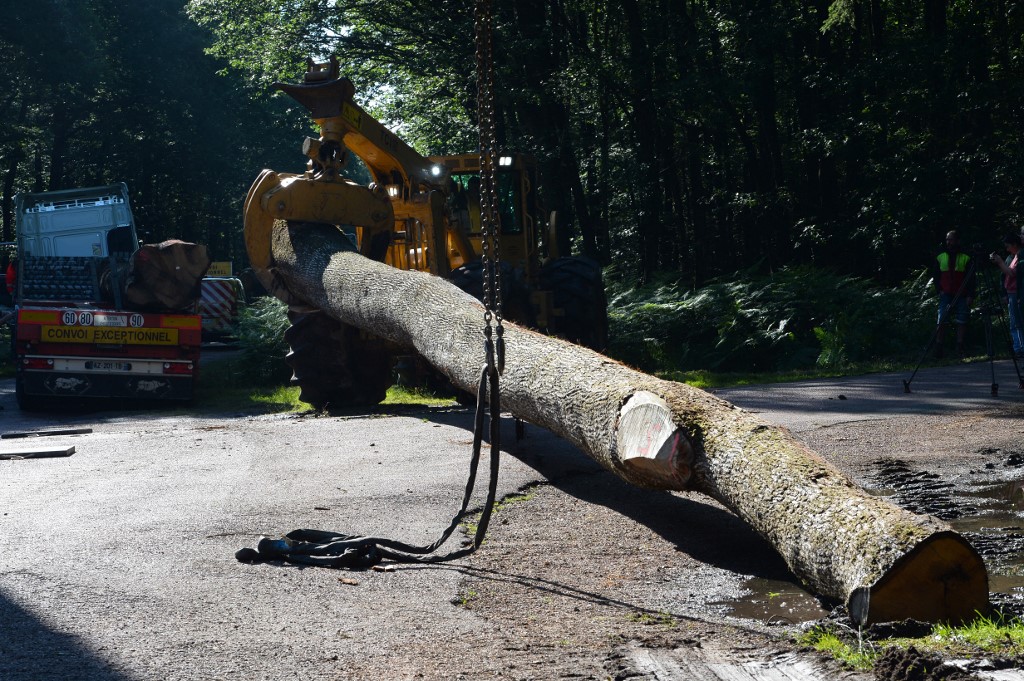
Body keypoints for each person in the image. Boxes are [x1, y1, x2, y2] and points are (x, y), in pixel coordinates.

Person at [932, 230, 975, 358]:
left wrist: (970, 295)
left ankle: (960, 346)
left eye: (951, 239)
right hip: (945, 293)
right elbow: (935, 275)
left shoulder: (966, 257)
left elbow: (972, 278)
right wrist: (938, 289)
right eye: (947, 240)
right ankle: (938, 347)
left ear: (957, 241)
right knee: (942, 320)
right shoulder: (940, 256)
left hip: (962, 294)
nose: (948, 242)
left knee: (962, 320)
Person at [990, 233, 1024, 358]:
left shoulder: (1020, 255)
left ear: (1015, 244)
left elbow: (1011, 273)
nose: (1007, 249)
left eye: (1008, 246)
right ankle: (1018, 346)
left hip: (1016, 293)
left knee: (1017, 322)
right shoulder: (1013, 256)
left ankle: (1020, 348)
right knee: (1014, 321)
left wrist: (999, 262)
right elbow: (1004, 276)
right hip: (1011, 293)